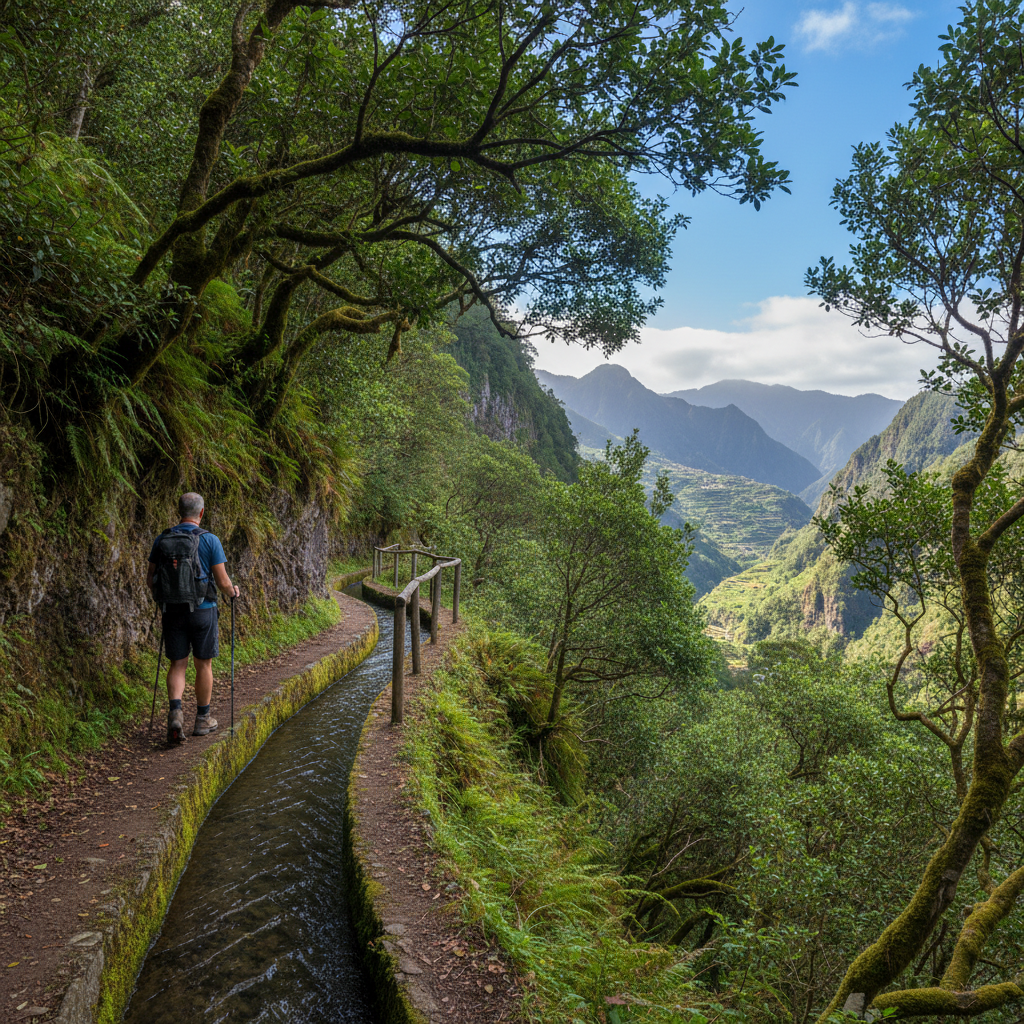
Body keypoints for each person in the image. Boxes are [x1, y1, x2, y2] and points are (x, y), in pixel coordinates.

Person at [147, 492, 239, 743]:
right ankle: (202, 719)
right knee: (203, 664)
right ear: (201, 513)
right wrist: (233, 591)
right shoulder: (210, 540)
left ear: (179, 511)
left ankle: (176, 714)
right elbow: (222, 582)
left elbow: (150, 579)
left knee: (178, 664)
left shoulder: (162, 539)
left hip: (172, 611)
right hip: (203, 610)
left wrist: (164, 600)